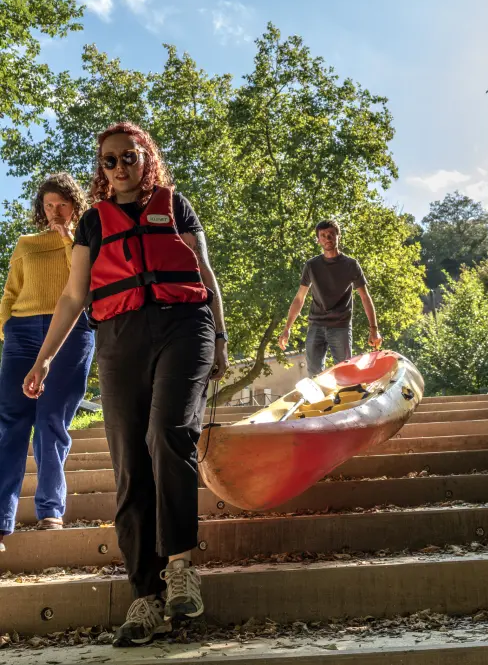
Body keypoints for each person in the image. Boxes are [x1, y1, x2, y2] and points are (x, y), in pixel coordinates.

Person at [22, 123, 229, 647]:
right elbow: (74, 297)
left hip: (184, 326)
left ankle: (179, 567)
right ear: (102, 169)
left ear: (146, 158)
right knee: (130, 461)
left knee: (168, 433)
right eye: (109, 161)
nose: (119, 167)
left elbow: (205, 274)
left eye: (129, 157)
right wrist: (44, 361)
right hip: (119, 337)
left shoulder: (176, 207)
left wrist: (221, 339)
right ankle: (145, 594)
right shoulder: (93, 221)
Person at [0, 174, 94, 552]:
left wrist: (67, 237)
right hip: (22, 332)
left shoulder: (84, 242)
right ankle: (1, 519)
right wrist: (6, 326)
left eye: (63, 204)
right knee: (11, 422)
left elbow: (84, 284)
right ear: (41, 207)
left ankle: (50, 509)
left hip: (71, 332)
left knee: (51, 420)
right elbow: (10, 291)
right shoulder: (26, 243)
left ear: (75, 206)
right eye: (49, 204)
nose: (55, 211)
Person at [278, 219, 382, 375]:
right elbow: (299, 298)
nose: (327, 238)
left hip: (340, 326)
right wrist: (287, 328)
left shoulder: (351, 265)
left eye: (331, 234)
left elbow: (365, 297)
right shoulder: (311, 266)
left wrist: (374, 329)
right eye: (323, 235)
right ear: (318, 240)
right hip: (316, 325)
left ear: (338, 236)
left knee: (345, 372)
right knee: (314, 374)